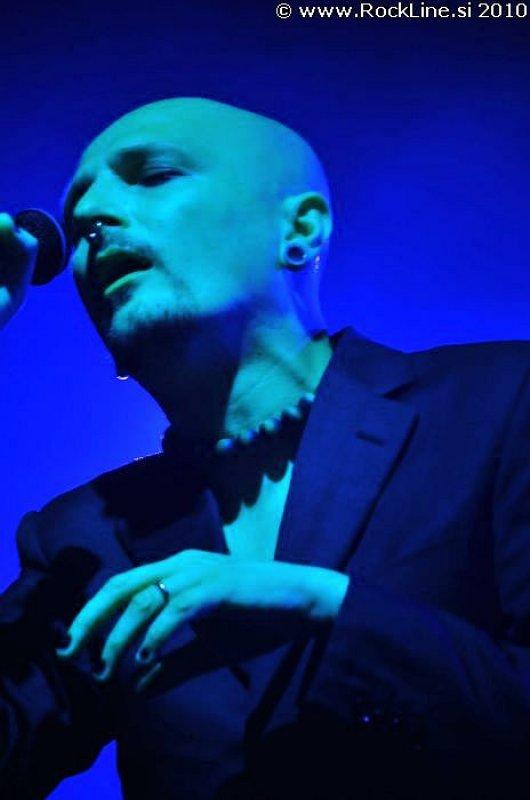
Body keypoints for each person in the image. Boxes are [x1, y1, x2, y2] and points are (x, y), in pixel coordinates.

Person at [1, 97, 530, 800]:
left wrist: (325, 606)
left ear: (299, 230)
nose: (92, 217)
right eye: (74, 224)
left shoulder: (503, 400)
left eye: (154, 175)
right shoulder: (79, 538)